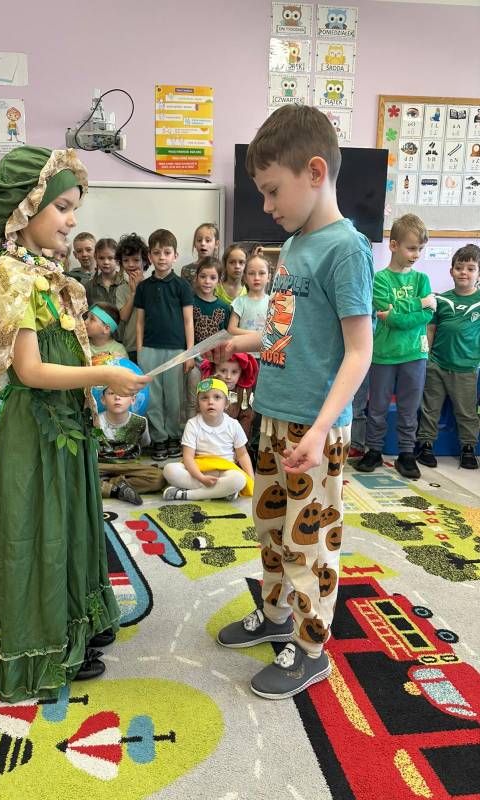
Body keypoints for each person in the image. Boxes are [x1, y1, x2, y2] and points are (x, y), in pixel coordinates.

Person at [215, 105, 374, 699]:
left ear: (314, 172)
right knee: (272, 530)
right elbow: (282, 334)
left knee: (311, 542)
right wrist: (243, 341)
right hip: (274, 418)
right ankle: (277, 616)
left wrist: (321, 428)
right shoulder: (291, 246)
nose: (266, 205)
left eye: (272, 190)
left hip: (314, 428)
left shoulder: (347, 249)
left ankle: (310, 649)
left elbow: (359, 351)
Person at [0, 145, 150, 702]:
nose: (73, 219)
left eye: (75, 207)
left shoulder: (48, 271)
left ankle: (77, 620)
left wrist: (99, 370)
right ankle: (45, 643)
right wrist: (103, 376)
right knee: (42, 529)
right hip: (36, 427)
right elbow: (29, 370)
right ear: (26, 208)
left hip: (67, 421)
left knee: (73, 519)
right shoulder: (10, 274)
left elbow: (65, 353)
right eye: (63, 207)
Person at [355, 214, 434, 480]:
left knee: (409, 408)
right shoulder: (380, 279)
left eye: (420, 249)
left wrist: (401, 313)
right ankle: (374, 450)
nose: (416, 255)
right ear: (393, 245)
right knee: (377, 406)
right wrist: (419, 304)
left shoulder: (422, 279)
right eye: (411, 248)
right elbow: (388, 316)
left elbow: (426, 317)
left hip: (415, 354)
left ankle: (407, 453)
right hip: (383, 355)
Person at [417, 244, 480, 470]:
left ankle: (468, 448)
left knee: (466, 412)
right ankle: (425, 445)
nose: (464, 272)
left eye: (471, 269)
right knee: (430, 408)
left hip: (466, 368)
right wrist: (427, 356)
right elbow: (431, 329)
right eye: (459, 267)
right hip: (437, 364)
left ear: (478, 274)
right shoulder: (441, 300)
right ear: (451, 271)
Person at [135, 229, 194, 461]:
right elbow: (139, 322)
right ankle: (159, 439)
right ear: (150, 256)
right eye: (157, 253)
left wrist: (190, 353)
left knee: (174, 397)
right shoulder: (143, 287)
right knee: (153, 398)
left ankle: (173, 436)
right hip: (149, 350)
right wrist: (140, 351)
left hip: (176, 350)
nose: (162, 257)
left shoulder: (182, 286)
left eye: (167, 252)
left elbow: (188, 321)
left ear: (175, 255)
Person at [163, 377, 254, 501]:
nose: (210, 402)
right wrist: (201, 478)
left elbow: (242, 454)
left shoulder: (233, 425)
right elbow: (188, 457)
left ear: (226, 404)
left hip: (225, 470)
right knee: (169, 470)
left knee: (239, 480)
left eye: (217, 397)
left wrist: (251, 479)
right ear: (198, 404)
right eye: (204, 398)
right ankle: (220, 491)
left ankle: (187, 494)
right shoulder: (192, 424)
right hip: (198, 469)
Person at [97, 386, 164, 505]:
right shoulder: (95, 422)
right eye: (111, 393)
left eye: (123, 394)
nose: (117, 397)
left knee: (158, 478)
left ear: (132, 399)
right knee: (76, 478)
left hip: (129, 466)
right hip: (102, 465)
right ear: (103, 399)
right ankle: (117, 490)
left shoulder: (140, 422)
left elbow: (144, 442)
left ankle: (108, 485)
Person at [185, 257, 230, 418]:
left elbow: (227, 336)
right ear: (196, 277)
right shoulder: (189, 302)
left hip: (215, 362)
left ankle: (214, 429)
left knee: (215, 399)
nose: (207, 281)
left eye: (212, 277)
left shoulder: (224, 307)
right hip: (195, 360)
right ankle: (190, 430)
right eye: (203, 276)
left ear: (219, 281)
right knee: (193, 400)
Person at [200, 352, 259, 439]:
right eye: (223, 371)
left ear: (241, 372)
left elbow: (246, 417)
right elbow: (201, 413)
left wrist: (239, 442)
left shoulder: (244, 391)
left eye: (234, 372)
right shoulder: (208, 388)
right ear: (214, 370)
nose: (228, 376)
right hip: (209, 437)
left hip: (234, 438)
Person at [228, 254, 271, 357]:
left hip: (266, 355)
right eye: (251, 273)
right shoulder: (239, 302)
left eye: (261, 273)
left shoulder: (273, 302)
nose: (256, 278)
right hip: (245, 356)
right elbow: (231, 329)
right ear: (245, 278)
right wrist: (257, 335)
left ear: (269, 277)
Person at [116, 232, 149, 363]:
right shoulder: (121, 289)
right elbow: (123, 317)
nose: (130, 264)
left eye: (136, 260)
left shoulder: (152, 286)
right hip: (130, 346)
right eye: (126, 260)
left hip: (150, 345)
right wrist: (134, 293)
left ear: (145, 261)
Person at [86, 238, 127, 308]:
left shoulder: (126, 283)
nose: (106, 262)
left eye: (110, 258)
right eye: (101, 258)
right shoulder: (89, 286)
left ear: (118, 259)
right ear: (95, 258)